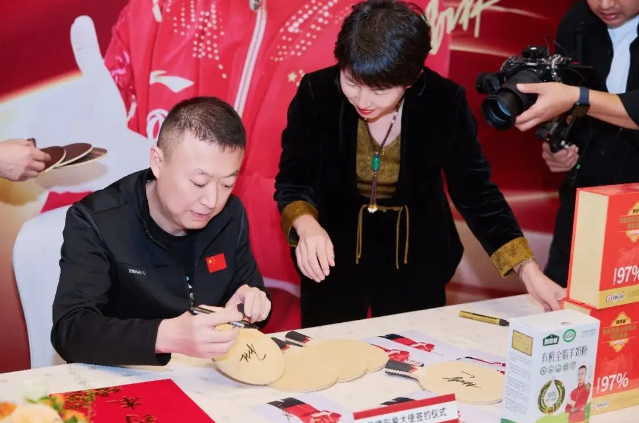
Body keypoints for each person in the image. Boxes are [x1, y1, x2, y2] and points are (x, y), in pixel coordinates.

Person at [274, 0, 566, 328]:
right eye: (351, 82)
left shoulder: (444, 102)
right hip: (330, 252)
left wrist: (528, 269)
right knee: (327, 348)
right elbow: (293, 180)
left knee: (412, 349)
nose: (363, 100)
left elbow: (476, 193)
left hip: (417, 256)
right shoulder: (317, 92)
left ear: (412, 77)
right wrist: (307, 226)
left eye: (380, 90)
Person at [51, 96, 271, 366]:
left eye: (226, 184)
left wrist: (251, 306)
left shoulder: (230, 214)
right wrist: (164, 336)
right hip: (123, 373)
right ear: (157, 162)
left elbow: (248, 289)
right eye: (198, 182)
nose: (212, 201)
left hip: (202, 375)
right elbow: (71, 331)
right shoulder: (98, 221)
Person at [514, 0, 639, 287]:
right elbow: (570, 108)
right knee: (563, 297)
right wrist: (559, 144)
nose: (605, 4)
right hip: (585, 201)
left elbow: (576, 97)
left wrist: (577, 97)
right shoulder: (578, 20)